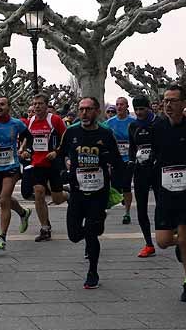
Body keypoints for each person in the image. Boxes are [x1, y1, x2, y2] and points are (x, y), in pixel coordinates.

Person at [46, 97, 126, 289]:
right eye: (81, 109)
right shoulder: (72, 131)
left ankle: (92, 271)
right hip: (77, 190)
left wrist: (119, 187)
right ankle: (95, 226)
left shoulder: (106, 134)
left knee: (91, 234)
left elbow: (117, 162)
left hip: (99, 191)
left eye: (88, 109)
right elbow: (61, 152)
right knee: (74, 235)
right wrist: (61, 171)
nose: (84, 113)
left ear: (97, 112)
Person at [151, 85, 186, 302]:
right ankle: (179, 244)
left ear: (183, 104)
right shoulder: (157, 127)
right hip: (164, 191)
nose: (168, 104)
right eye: (165, 100)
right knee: (163, 242)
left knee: (184, 238)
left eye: (173, 100)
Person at [0, 96, 33, 251]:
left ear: (9, 107)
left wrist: (26, 149)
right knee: (4, 198)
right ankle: (23, 212)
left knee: (4, 199)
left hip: (11, 166)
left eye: (2, 104)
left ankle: (2, 237)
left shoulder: (16, 124)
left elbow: (29, 136)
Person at [18, 94, 67, 241]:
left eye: (40, 104)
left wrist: (57, 152)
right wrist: (25, 150)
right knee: (38, 192)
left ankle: (67, 194)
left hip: (52, 163)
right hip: (37, 163)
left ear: (46, 105)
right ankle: (45, 228)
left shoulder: (55, 120)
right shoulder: (31, 121)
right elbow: (28, 139)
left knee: (57, 198)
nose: (37, 106)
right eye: (35, 104)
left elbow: (67, 138)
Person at [128, 96, 158, 258]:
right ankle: (148, 243)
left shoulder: (158, 123)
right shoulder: (133, 126)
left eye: (142, 109)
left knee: (162, 204)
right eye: (137, 109)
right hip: (140, 171)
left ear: (149, 108)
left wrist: (155, 157)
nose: (139, 112)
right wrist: (132, 161)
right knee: (141, 207)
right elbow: (132, 148)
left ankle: (168, 230)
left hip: (157, 170)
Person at [106, 96, 135, 225]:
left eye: (122, 104)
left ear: (127, 106)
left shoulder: (132, 122)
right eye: (117, 104)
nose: (119, 107)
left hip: (128, 159)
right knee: (114, 186)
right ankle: (113, 201)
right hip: (115, 159)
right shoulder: (109, 123)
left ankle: (127, 213)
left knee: (126, 185)